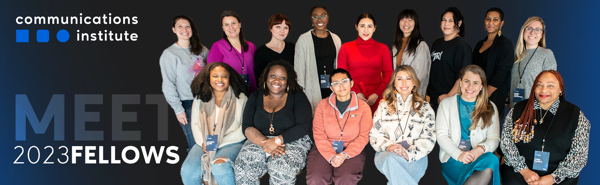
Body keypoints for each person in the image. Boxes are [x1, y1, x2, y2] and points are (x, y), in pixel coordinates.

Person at [501, 70, 590, 185]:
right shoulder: (518, 110)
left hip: (560, 176)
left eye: (550, 86)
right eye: (539, 85)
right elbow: (506, 143)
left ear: (560, 89)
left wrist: (553, 178)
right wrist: (524, 171)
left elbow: (579, 156)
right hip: (520, 172)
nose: (544, 90)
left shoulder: (575, 115)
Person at [234, 60, 312, 185]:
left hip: (293, 140)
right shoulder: (255, 97)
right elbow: (247, 127)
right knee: (243, 167)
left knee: (281, 168)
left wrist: (276, 141)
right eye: (273, 76)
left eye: (282, 77)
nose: (277, 81)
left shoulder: (298, 96)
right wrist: (266, 143)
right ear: (266, 77)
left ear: (288, 81)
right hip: (259, 140)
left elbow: (303, 127)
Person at [180, 62, 248, 185]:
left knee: (220, 168)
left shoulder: (241, 98)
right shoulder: (200, 98)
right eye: (215, 76)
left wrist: (218, 141)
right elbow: (195, 124)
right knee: (188, 171)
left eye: (224, 76)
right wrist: (206, 142)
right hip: (205, 143)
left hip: (232, 142)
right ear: (208, 78)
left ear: (230, 78)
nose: (219, 80)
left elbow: (244, 128)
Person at [369, 65, 436, 185]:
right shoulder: (383, 106)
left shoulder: (425, 108)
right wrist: (389, 146)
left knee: (398, 176)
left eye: (408, 78)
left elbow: (429, 137)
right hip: (386, 154)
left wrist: (409, 154)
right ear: (394, 83)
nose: (404, 82)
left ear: (414, 82)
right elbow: (375, 134)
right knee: (391, 160)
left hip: (416, 156)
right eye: (399, 79)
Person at [306, 68, 373, 185]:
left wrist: (344, 155)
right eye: (336, 83)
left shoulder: (363, 107)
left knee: (346, 178)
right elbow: (319, 134)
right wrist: (331, 156)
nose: (341, 86)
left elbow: (364, 136)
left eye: (344, 81)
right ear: (331, 88)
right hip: (323, 147)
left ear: (351, 83)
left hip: (352, 150)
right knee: (315, 177)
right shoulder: (322, 105)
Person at [436, 65, 501, 185]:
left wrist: (480, 150)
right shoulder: (446, 104)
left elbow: (494, 138)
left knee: (492, 160)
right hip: (453, 158)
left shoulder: (490, 107)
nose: (470, 87)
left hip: (478, 157)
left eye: (475, 83)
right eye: (467, 81)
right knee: (485, 172)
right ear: (460, 82)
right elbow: (441, 135)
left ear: (481, 87)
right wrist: (459, 154)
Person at [159, 15, 209, 152]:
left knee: (211, 139)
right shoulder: (169, 54)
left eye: (187, 26)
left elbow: (212, 73)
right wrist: (178, 109)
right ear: (173, 30)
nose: (184, 29)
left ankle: (212, 170)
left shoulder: (202, 50)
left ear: (192, 29)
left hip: (206, 101)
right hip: (187, 103)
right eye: (180, 26)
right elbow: (168, 84)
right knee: (196, 143)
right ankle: (196, 172)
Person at [338, 12, 393, 113]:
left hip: (377, 97)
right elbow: (342, 75)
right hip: (352, 95)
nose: (366, 30)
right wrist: (355, 93)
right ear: (356, 27)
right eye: (362, 26)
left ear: (374, 28)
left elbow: (388, 74)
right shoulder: (345, 47)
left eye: (369, 26)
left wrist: (376, 94)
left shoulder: (383, 48)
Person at [295, 6, 343, 114]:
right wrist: (299, 93)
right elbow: (299, 70)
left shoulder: (336, 39)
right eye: (315, 16)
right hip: (311, 88)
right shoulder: (303, 40)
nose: (319, 19)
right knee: (315, 117)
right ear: (311, 19)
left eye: (323, 16)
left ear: (328, 17)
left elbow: (339, 66)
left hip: (332, 88)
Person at [472, 7, 514, 118]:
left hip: (491, 98)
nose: (491, 23)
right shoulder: (480, 44)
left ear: (501, 23)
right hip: (475, 95)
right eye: (488, 19)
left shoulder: (505, 44)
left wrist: (484, 97)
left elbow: (501, 74)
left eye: (495, 20)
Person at [428, 7, 472, 112]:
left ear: (459, 23)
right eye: (444, 20)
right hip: (432, 99)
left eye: (451, 20)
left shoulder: (461, 46)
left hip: (448, 99)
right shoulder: (436, 43)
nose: (446, 23)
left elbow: (463, 77)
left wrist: (448, 96)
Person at [509, 17, 556, 109]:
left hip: (535, 110)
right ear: (523, 31)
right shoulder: (515, 55)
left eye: (537, 29)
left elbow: (550, 85)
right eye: (529, 28)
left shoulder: (546, 54)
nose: (532, 32)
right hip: (515, 109)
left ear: (542, 34)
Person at [207, 10, 257, 93]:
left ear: (239, 24)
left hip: (252, 94)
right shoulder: (217, 47)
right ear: (223, 28)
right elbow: (212, 74)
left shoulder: (251, 46)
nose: (231, 27)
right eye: (226, 24)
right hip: (230, 95)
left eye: (233, 23)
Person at [391, 9, 431, 97]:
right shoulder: (395, 46)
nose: (406, 23)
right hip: (399, 95)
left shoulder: (421, 45)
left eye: (410, 20)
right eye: (403, 19)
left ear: (415, 23)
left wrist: (405, 92)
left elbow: (420, 76)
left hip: (414, 95)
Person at [254, 13, 295, 83]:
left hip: (292, 91)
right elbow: (259, 79)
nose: (282, 31)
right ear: (270, 28)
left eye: (286, 27)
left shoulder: (293, 48)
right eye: (278, 27)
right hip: (270, 92)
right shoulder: (261, 52)